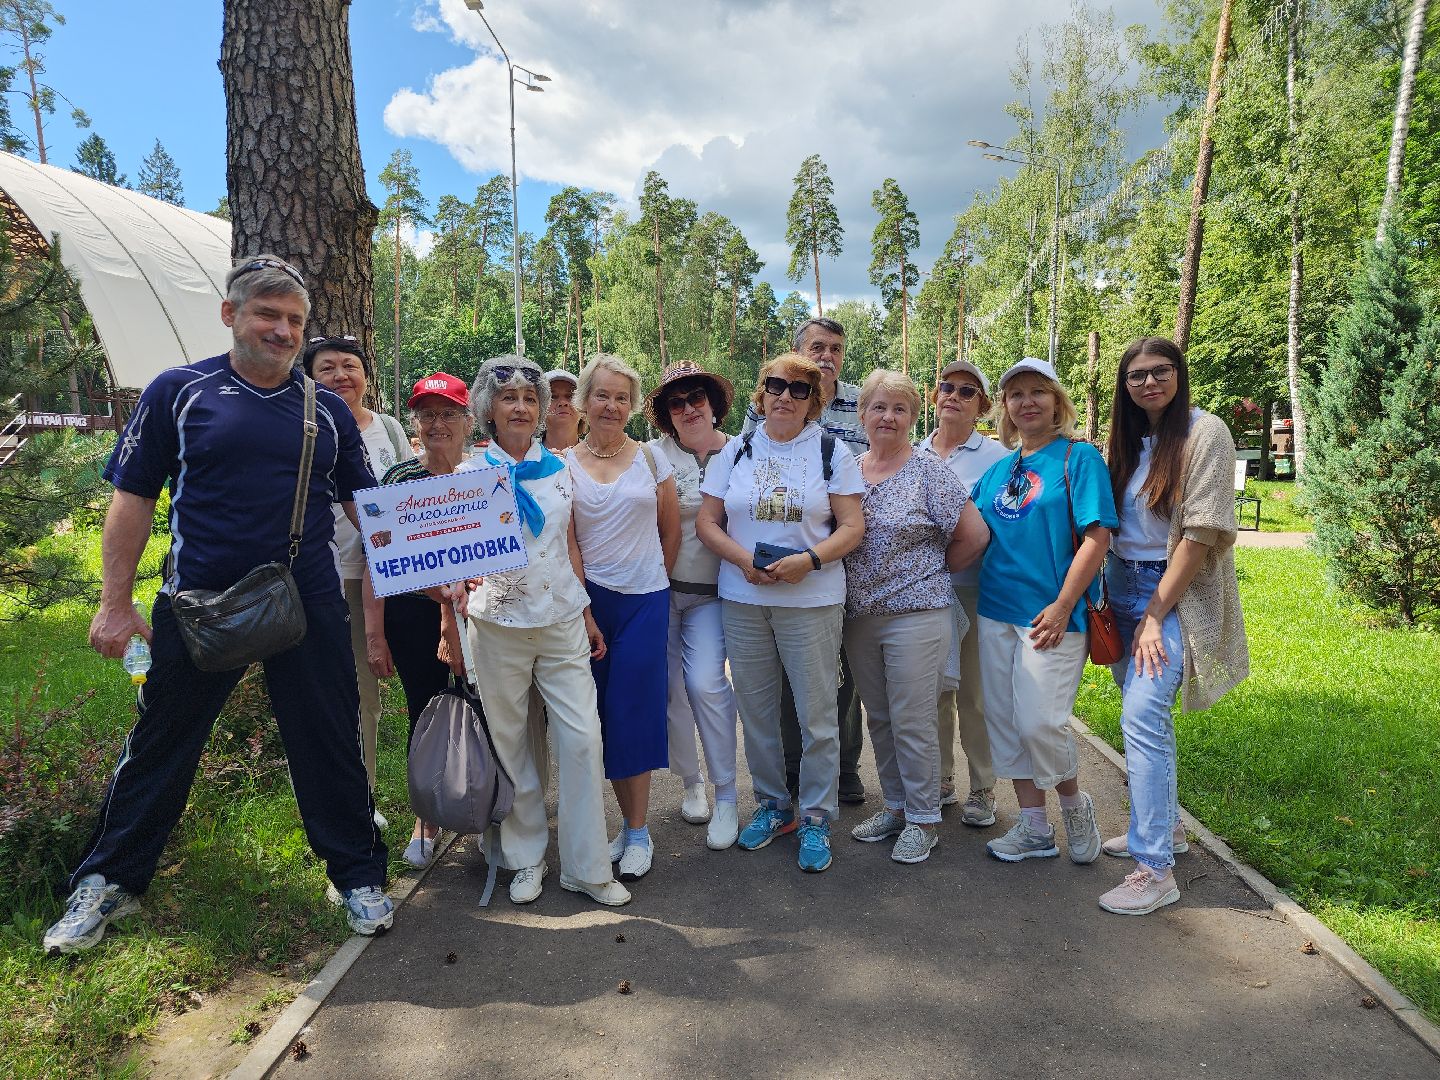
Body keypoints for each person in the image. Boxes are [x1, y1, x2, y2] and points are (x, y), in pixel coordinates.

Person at [43, 256, 392, 954]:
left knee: (329, 739)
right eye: (267, 314)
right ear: (230, 314)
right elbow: (132, 499)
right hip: (197, 605)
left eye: (295, 320)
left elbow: (369, 508)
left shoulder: (326, 411)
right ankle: (108, 881)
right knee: (160, 743)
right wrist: (115, 604)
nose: (283, 330)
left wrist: (439, 560)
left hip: (305, 600)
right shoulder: (179, 392)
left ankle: (357, 876)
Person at [452, 355, 631, 907]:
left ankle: (586, 866)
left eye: (530, 399)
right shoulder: (466, 476)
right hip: (496, 623)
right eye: (509, 398)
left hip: (561, 620)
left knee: (582, 738)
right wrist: (450, 598)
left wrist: (587, 613)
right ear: (489, 409)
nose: (521, 408)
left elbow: (568, 543)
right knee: (509, 743)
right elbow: (451, 562)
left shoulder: (558, 469)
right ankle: (525, 856)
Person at [1097, 337, 1249, 915]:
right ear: (1125, 385)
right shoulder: (1127, 440)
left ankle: (1155, 868)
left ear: (1179, 375)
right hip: (1122, 587)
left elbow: (1201, 535)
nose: (1149, 383)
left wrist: (1155, 616)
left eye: (1160, 371)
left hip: (1174, 595)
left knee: (1141, 714)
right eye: (1136, 375)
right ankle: (1167, 828)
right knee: (1144, 715)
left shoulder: (1205, 434)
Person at [697, 352, 865, 873]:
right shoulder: (736, 451)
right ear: (761, 393)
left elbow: (852, 527)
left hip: (811, 601)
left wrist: (808, 560)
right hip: (745, 599)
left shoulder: (833, 451)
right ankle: (773, 805)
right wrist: (743, 560)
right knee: (757, 712)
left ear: (814, 401)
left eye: (799, 389)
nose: (785, 396)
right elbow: (708, 522)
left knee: (817, 716)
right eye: (775, 385)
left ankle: (815, 815)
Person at [970, 358, 1116, 867]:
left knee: (1039, 723)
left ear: (1057, 401)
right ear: (1005, 408)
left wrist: (1063, 604)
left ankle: (1074, 806)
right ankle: (1034, 828)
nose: (1027, 401)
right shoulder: (998, 470)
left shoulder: (1079, 458)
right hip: (995, 610)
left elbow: (1098, 536)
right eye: (1016, 394)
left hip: (1052, 616)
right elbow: (969, 531)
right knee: (1006, 723)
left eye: (1038, 391)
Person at [844, 370, 990, 863]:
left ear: (912, 416)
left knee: (913, 719)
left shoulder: (929, 471)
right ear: (862, 414)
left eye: (899, 409)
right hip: (860, 616)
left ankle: (924, 820)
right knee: (880, 717)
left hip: (917, 614)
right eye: (879, 407)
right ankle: (896, 806)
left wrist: (931, 572)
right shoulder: (849, 472)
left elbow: (975, 535)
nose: (888, 417)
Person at [743, 317, 868, 802]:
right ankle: (792, 766)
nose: (827, 356)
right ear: (797, 352)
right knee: (787, 673)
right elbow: (754, 466)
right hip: (783, 557)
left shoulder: (859, 402)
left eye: (835, 348)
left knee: (839, 673)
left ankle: (845, 767)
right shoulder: (769, 403)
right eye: (817, 346)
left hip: (848, 554)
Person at [566, 353, 680, 882]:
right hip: (589, 604)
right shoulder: (564, 464)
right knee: (602, 718)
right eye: (602, 395)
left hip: (645, 601)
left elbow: (670, 531)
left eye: (621, 397)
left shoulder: (652, 460)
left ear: (632, 406)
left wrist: (653, 581)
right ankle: (623, 825)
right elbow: (568, 542)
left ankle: (637, 830)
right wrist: (585, 607)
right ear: (584, 401)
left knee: (633, 711)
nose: (611, 405)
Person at [302, 334, 413, 829]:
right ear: (309, 379)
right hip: (334, 577)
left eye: (350, 365)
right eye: (327, 368)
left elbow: (410, 489)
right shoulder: (303, 427)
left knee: (410, 684)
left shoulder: (387, 429)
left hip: (395, 577)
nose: (340, 375)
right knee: (352, 693)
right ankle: (357, 800)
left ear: (366, 375)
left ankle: (433, 792)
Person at [363, 372, 474, 869]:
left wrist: (457, 605)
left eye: (448, 413)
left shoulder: (485, 473)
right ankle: (426, 818)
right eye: (427, 415)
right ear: (415, 423)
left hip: (481, 611)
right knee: (425, 713)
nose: (437, 424)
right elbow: (377, 558)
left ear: (468, 421)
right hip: (412, 614)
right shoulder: (398, 480)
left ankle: (489, 807)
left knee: (490, 708)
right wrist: (375, 634)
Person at [644, 361, 742, 849]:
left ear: (713, 404)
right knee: (669, 691)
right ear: (666, 414)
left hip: (714, 595)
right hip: (660, 591)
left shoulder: (742, 451)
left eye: (696, 398)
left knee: (706, 683)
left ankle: (727, 794)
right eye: (676, 403)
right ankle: (692, 783)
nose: (688, 409)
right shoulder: (651, 456)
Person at [916, 360, 1008, 827]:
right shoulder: (915, 451)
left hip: (974, 590)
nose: (953, 395)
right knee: (933, 692)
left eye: (967, 391)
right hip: (924, 596)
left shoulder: (996, 458)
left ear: (983, 406)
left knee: (973, 693)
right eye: (946, 387)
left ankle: (983, 787)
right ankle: (940, 780)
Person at [542, 368, 583, 453]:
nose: (563, 403)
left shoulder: (598, 455)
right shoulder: (525, 455)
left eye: (570, 396)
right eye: (553, 396)